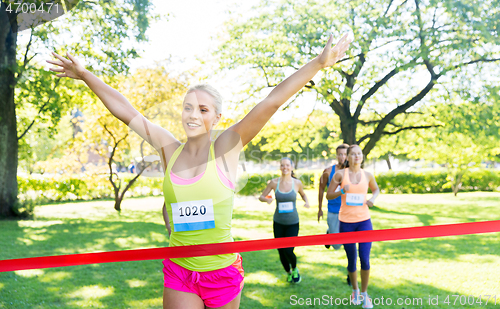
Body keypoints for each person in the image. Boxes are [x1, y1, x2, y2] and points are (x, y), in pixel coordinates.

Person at [48, 32, 351, 309]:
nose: (193, 115)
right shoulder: (168, 147)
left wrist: (319, 63)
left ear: (217, 117)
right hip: (180, 270)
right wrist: (86, 75)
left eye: (203, 110)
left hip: (221, 272)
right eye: (188, 107)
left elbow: (270, 102)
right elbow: (126, 110)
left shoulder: (226, 147)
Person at [326, 144, 380, 309]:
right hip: (346, 223)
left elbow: (376, 189)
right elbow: (328, 195)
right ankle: (355, 291)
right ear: (348, 157)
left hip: (364, 222)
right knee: (351, 259)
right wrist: (342, 192)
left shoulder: (368, 175)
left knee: (364, 258)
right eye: (353, 154)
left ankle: (365, 294)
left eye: (359, 154)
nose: (357, 156)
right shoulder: (340, 175)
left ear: (362, 157)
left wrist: (373, 199)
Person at [258, 157, 310, 284]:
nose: (285, 167)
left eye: (287, 165)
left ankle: (295, 269)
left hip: (293, 222)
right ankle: (288, 273)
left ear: (291, 167)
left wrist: (307, 202)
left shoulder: (297, 183)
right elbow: (261, 196)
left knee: (288, 249)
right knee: (281, 251)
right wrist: (267, 200)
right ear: (280, 167)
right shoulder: (274, 183)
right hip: (278, 223)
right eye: (282, 165)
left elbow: (303, 194)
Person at [318, 143, 348, 250]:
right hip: (333, 210)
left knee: (349, 240)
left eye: (345, 154)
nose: (342, 157)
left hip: (348, 210)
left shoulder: (352, 172)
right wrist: (320, 209)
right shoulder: (328, 171)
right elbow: (321, 188)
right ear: (336, 156)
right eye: (340, 154)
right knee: (336, 246)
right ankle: (330, 232)